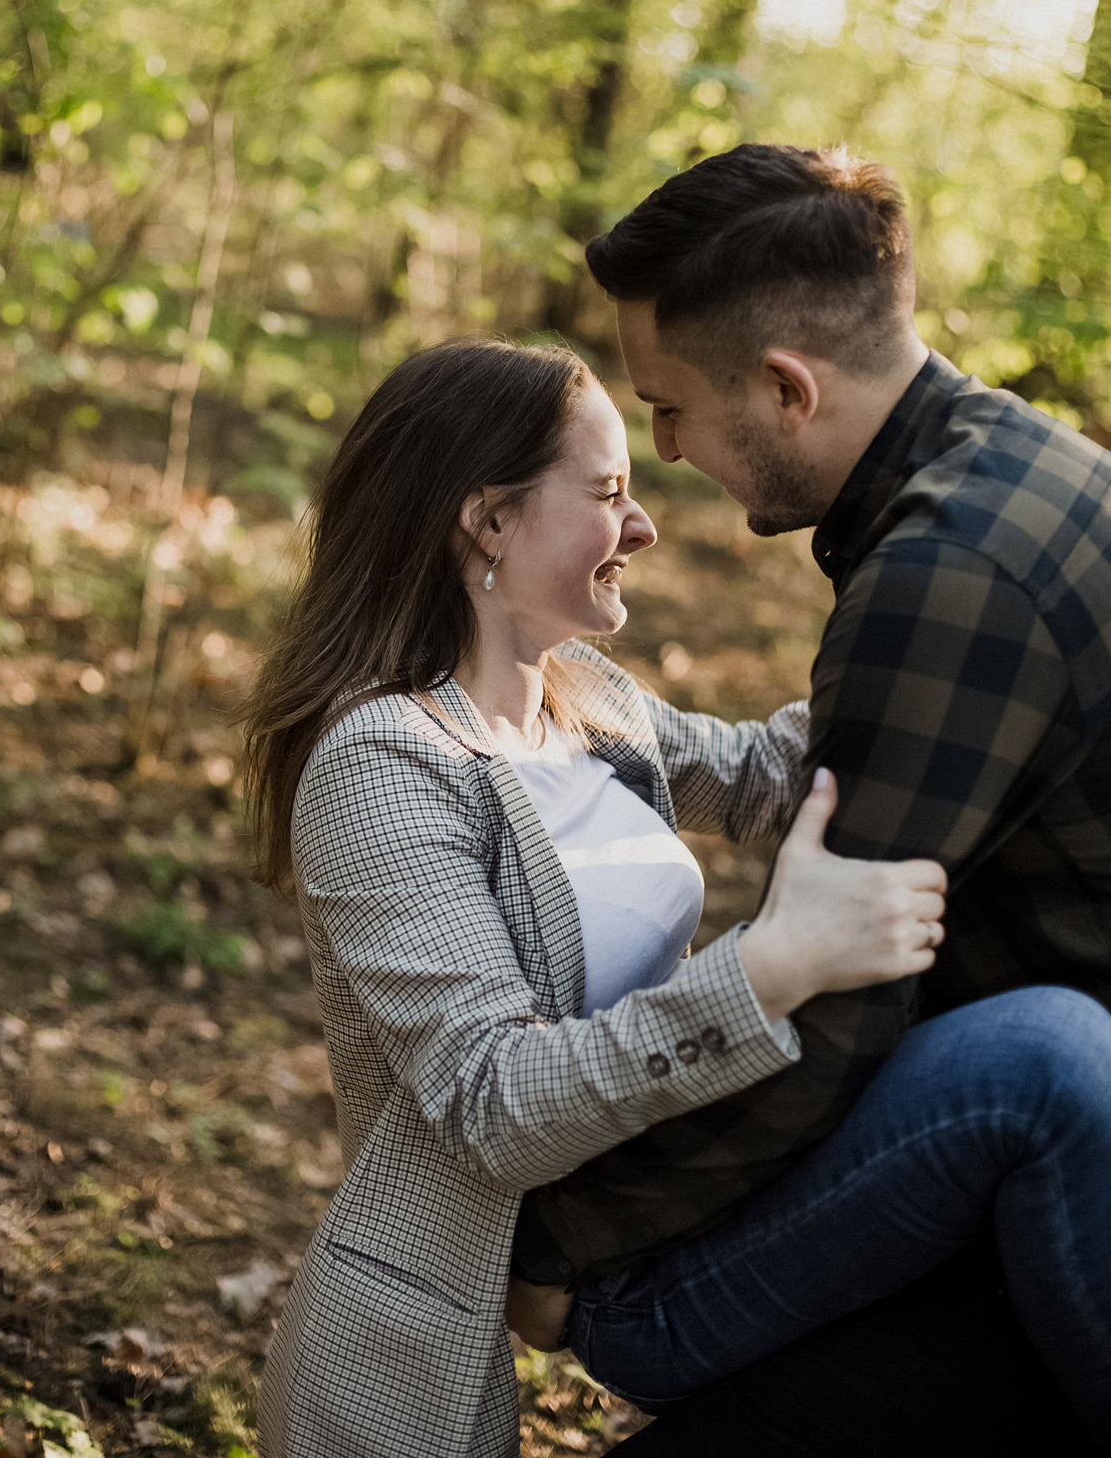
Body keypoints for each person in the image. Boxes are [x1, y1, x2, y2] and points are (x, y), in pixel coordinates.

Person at [242, 336, 1111, 1458]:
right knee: (1033, 1060)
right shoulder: (384, 768)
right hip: (619, 1257)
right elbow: (492, 1104)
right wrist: (767, 971)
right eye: (607, 494)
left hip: (696, 1179)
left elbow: (766, 772)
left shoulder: (580, 693)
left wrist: (1002, 617)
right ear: (486, 522)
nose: (643, 527)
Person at [504, 141, 1111, 1435]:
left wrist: (563, 1242)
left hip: (1064, 1147)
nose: (662, 454)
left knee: (633, 1318)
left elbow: (837, 997)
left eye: (667, 407)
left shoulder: (945, 579)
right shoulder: (1036, 475)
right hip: (1035, 1147)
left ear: (786, 389)